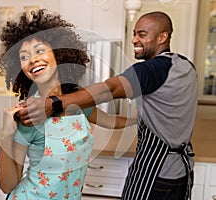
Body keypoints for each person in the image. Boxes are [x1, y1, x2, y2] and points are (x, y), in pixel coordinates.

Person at [16, 11, 198, 200]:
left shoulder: (150, 71)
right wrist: (136, 119)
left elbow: (108, 90)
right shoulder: (186, 66)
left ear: (163, 37)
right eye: (134, 34)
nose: (134, 40)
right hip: (182, 172)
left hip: (156, 172)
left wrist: (54, 104)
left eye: (142, 34)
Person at [0, 9, 135, 200]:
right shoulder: (30, 114)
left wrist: (140, 119)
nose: (33, 59)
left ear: (58, 54)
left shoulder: (76, 103)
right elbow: (7, 185)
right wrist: (6, 135)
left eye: (39, 50)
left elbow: (111, 121)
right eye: (24, 56)